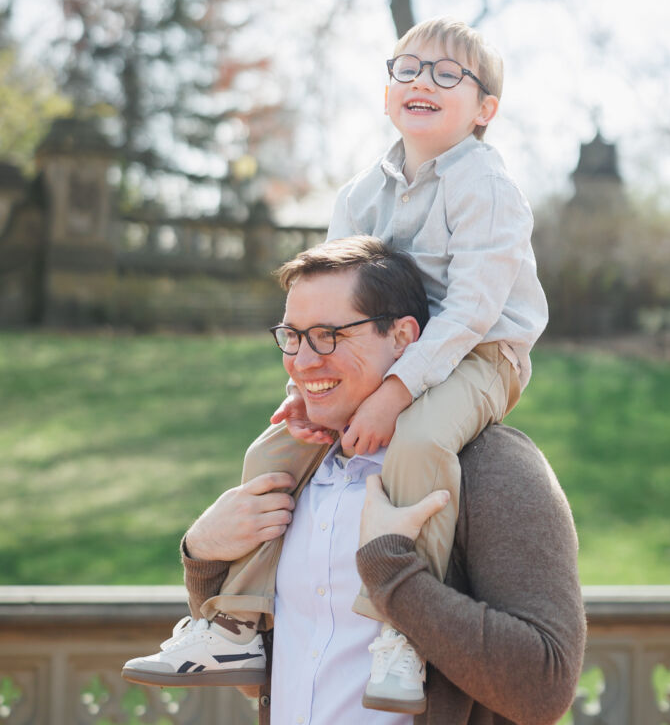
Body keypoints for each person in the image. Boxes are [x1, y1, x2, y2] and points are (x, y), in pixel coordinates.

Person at [124, 17, 549, 712]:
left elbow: (473, 308)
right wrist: (306, 382)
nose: (421, 82)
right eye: (406, 69)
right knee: (273, 447)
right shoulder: (360, 194)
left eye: (448, 75)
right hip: (388, 354)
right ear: (386, 92)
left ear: (484, 111)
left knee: (416, 440)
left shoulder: (487, 186)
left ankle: (399, 633)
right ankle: (235, 621)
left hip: (479, 352)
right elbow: (326, 299)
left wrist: (393, 390)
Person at [122, 238, 586, 724]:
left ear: (404, 337)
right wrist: (203, 558)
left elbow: (544, 689)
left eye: (328, 335)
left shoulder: (493, 468)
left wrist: (392, 574)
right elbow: (254, 674)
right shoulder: (296, 474)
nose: (302, 362)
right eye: (293, 336)